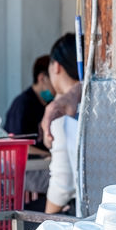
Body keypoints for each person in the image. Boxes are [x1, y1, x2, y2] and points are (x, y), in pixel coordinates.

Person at [43, 33, 81, 214]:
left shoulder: (60, 112)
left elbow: (62, 183)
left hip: (79, 212)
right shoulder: (98, 102)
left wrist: (47, 219)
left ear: (56, 66)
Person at [5, 55, 54, 153]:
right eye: (54, 80)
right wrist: (49, 157)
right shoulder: (22, 105)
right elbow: (16, 145)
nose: (57, 87)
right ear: (42, 79)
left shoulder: (50, 104)